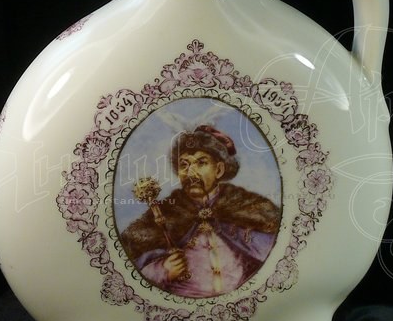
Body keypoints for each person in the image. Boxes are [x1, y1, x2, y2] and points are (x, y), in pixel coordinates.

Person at [120, 125, 280, 298]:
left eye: (201, 163)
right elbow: (128, 266)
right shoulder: (166, 212)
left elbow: (274, 253)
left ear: (219, 170)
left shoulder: (244, 204)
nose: (191, 173)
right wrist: (162, 270)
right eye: (184, 165)